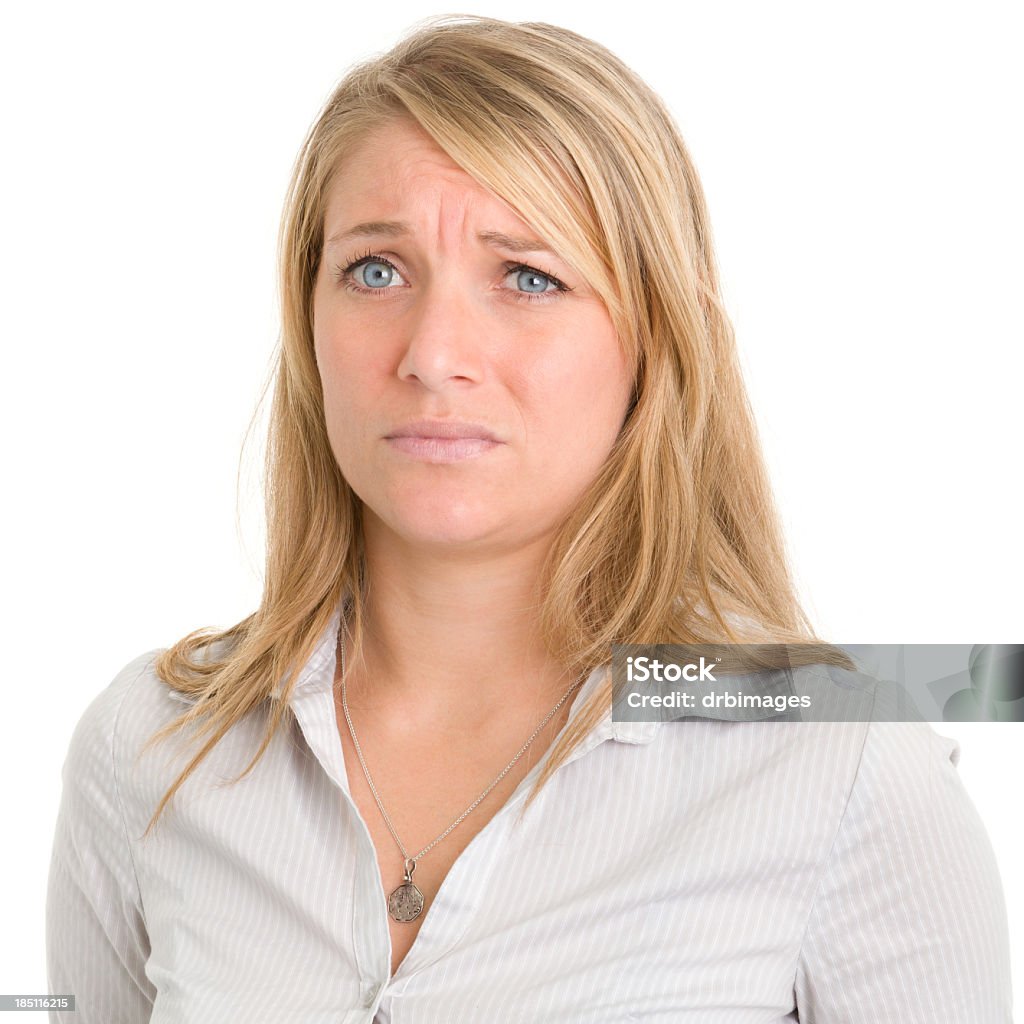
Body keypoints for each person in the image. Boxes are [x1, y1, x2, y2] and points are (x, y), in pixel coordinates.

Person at [45, 14, 1013, 1023]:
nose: (432, 353)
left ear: (652, 340)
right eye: (375, 270)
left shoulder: (840, 756)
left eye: (527, 276)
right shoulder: (151, 745)